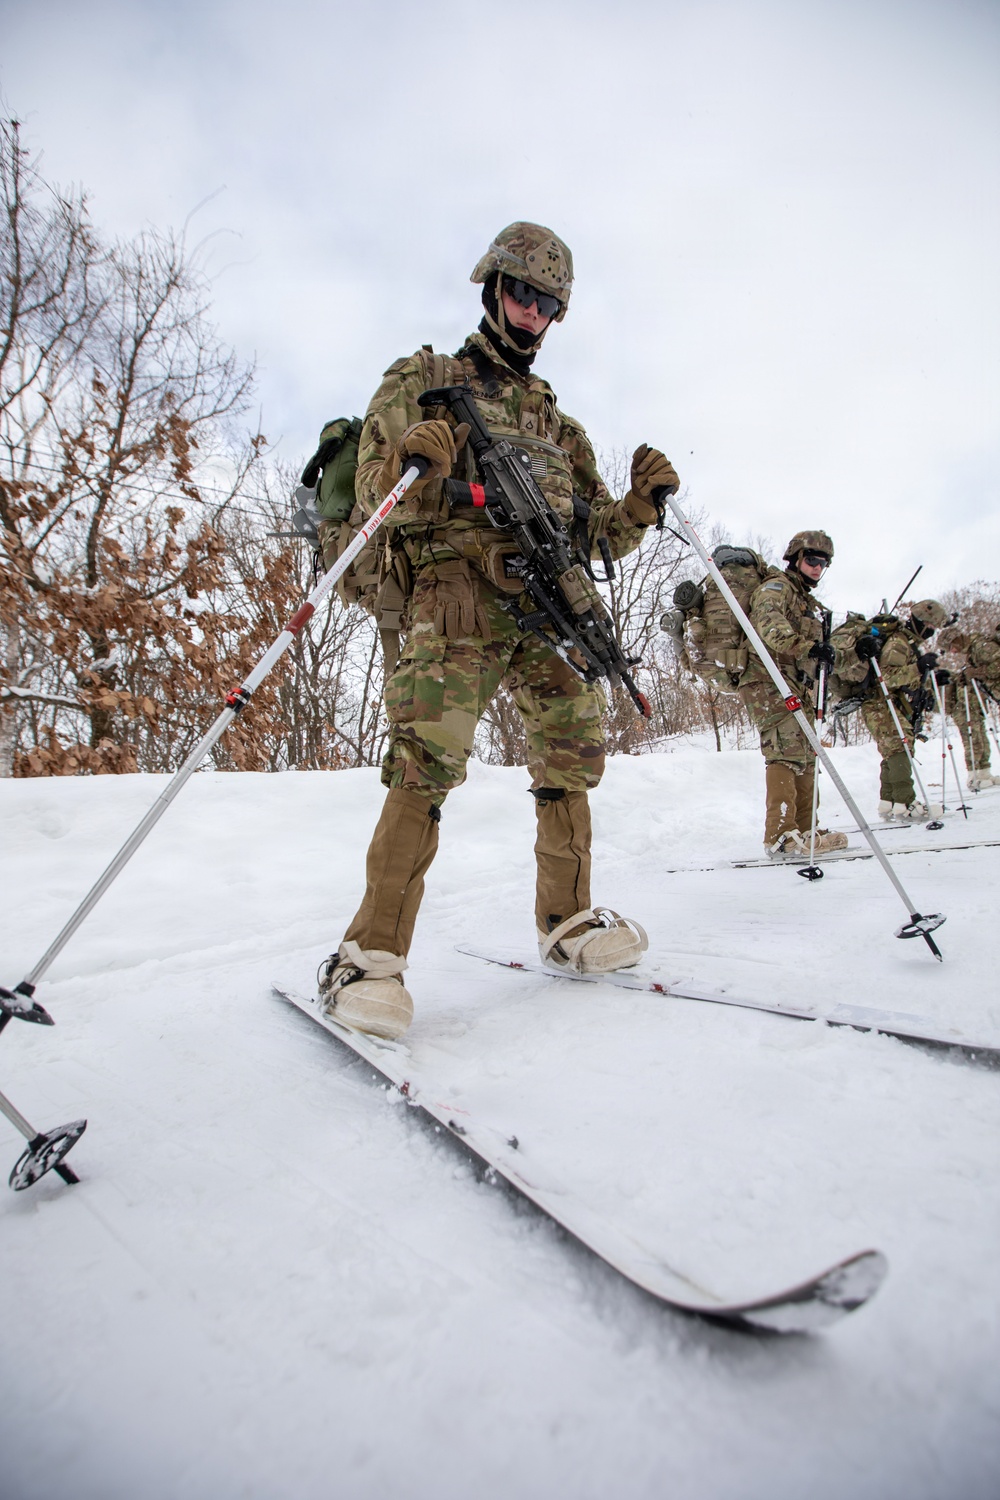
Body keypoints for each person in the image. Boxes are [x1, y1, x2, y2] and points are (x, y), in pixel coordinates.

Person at [318, 223, 679, 1039]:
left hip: (543, 605)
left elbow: (591, 534)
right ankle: (366, 960)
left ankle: (567, 921)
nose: (530, 312)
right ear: (491, 288)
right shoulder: (427, 377)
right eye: (520, 292)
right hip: (456, 598)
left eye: (547, 302)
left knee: (573, 748)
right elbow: (384, 491)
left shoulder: (559, 425)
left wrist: (637, 511)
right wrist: (419, 461)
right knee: (427, 761)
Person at [741, 531, 849, 858]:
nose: (817, 568)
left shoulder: (805, 600)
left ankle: (805, 828)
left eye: (823, 563)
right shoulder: (779, 587)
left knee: (806, 753)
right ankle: (780, 835)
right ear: (796, 559)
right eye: (812, 560)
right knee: (785, 752)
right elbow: (767, 622)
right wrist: (807, 647)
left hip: (791, 682)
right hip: (766, 680)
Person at [857, 598, 949, 819]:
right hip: (879, 703)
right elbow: (886, 677)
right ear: (922, 622)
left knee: (893, 749)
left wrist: (930, 678)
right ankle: (905, 802)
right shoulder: (899, 643)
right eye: (931, 628)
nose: (932, 632)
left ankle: (888, 801)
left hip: (885, 703)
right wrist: (918, 667)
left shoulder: (907, 643)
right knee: (900, 747)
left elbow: (907, 678)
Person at [936, 624, 1000, 789]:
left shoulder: (981, 647)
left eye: (951, 647)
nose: (953, 652)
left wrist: (979, 672)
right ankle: (984, 772)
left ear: (956, 640)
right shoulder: (973, 650)